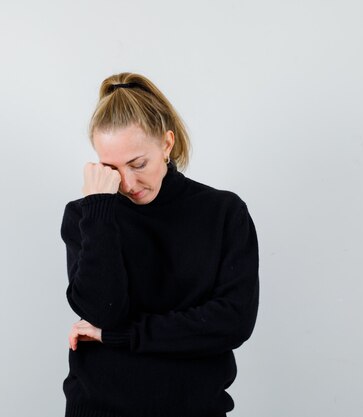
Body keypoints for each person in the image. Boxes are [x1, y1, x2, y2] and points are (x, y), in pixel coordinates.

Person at [60, 72, 260, 417]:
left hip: (195, 410)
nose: (127, 182)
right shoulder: (87, 215)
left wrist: (119, 337)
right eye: (110, 167)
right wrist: (98, 209)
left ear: (166, 144)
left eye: (138, 164)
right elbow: (103, 311)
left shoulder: (222, 212)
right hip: (97, 409)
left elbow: (232, 322)